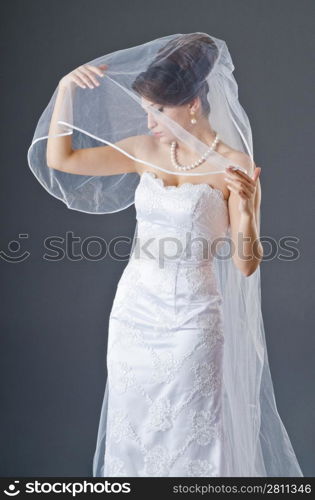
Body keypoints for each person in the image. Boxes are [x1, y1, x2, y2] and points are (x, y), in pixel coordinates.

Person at [27, 33, 304, 477]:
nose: (150, 121)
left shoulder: (233, 165)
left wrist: (248, 213)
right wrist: (64, 90)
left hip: (194, 319)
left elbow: (246, 264)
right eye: (146, 111)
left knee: (194, 429)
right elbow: (63, 159)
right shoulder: (146, 151)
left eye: (158, 110)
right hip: (134, 313)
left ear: (193, 103)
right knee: (132, 425)